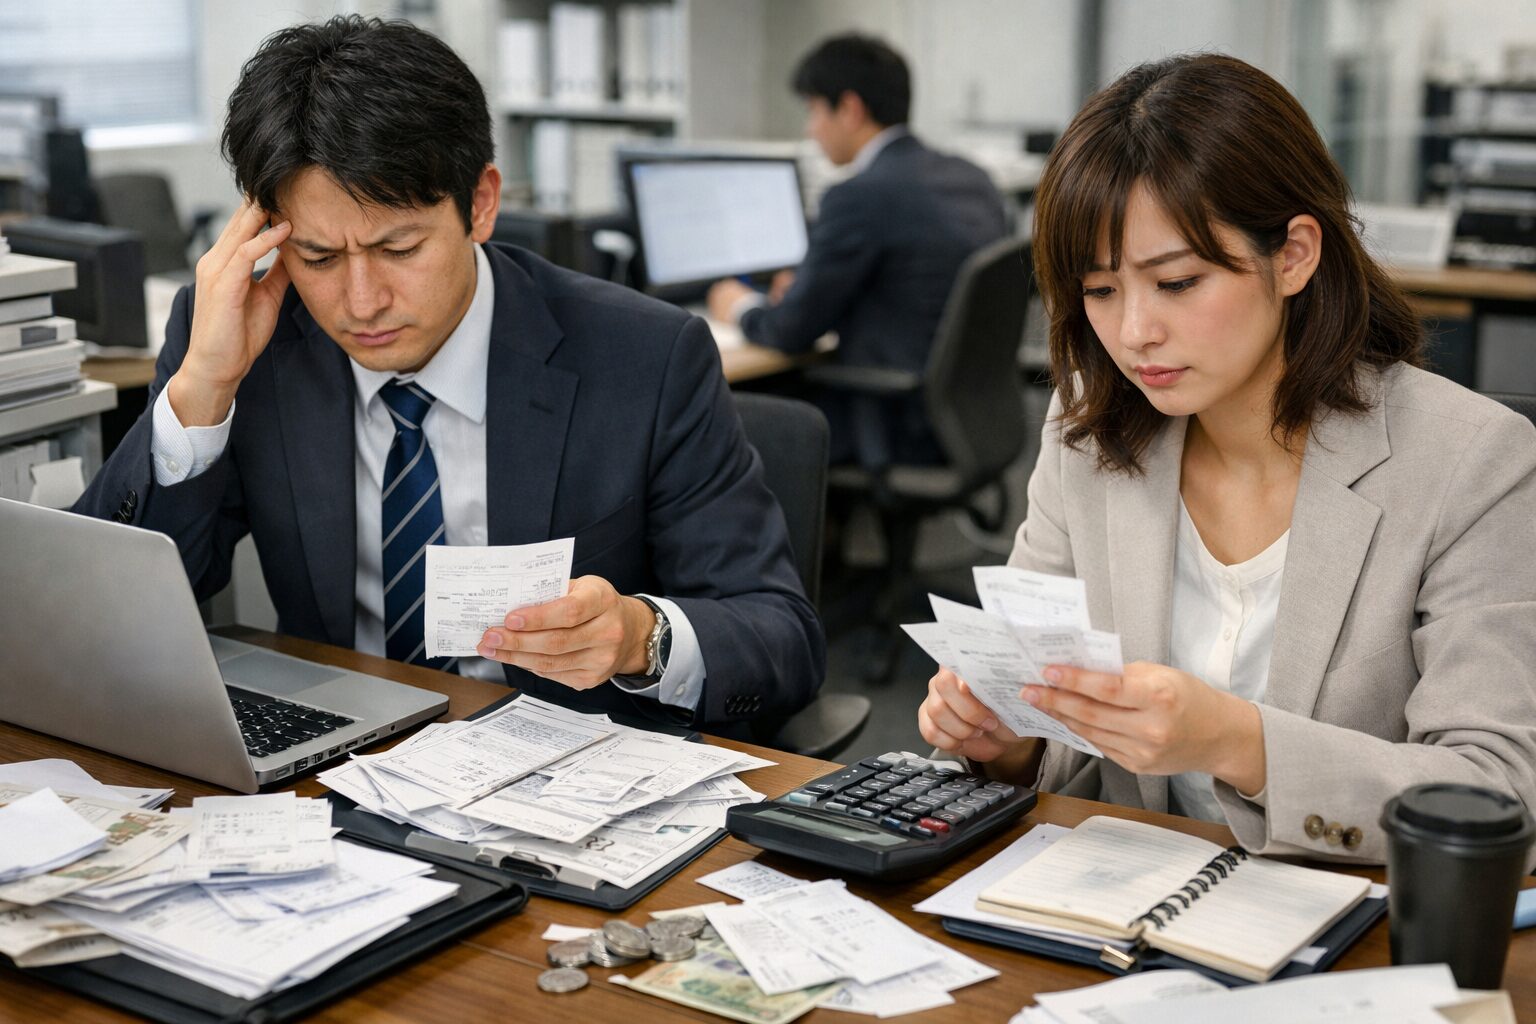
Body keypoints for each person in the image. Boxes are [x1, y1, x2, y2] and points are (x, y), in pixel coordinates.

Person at [74, 16, 824, 734]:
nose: (361, 303)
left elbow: (781, 636)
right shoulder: (246, 340)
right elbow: (106, 616)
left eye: (399, 249)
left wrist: (640, 638)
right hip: (337, 767)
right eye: (319, 258)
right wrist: (203, 389)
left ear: (482, 204)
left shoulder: (646, 357)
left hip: (561, 785)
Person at [917, 53, 1536, 865]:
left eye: (1176, 283)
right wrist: (1003, 740)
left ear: (1294, 255)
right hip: (1119, 912)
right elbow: (1047, 729)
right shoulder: (1088, 433)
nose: (1135, 331)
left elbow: (1500, 799)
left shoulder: (1472, 463)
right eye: (1100, 291)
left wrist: (1238, 741)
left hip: (1350, 930)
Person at [705, 34, 1006, 469]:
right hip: (966, 413)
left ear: (849, 109)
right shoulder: (970, 176)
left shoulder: (860, 196)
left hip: (896, 420)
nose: (811, 130)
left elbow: (788, 332)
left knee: (733, 412)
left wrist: (738, 306)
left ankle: (803, 534)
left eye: (813, 111)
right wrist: (807, 288)